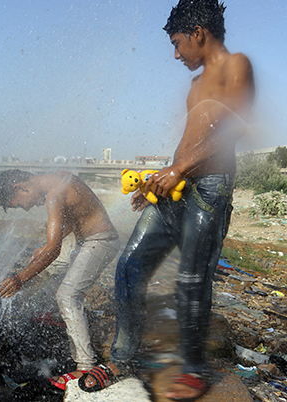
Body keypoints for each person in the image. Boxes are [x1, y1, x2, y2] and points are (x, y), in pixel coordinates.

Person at [79, 0, 255, 399]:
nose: (176, 55)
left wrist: (178, 171)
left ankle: (194, 369)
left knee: (192, 282)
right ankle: (123, 357)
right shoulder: (196, 85)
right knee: (128, 268)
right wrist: (160, 179)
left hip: (210, 190)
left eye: (178, 44)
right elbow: (191, 143)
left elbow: (236, 128)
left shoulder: (236, 65)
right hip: (178, 188)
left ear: (198, 32)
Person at [0, 169, 121, 389]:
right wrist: (46, 248)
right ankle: (42, 315)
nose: (27, 207)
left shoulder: (53, 193)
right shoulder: (57, 178)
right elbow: (76, 216)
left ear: (19, 187)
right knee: (43, 270)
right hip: (83, 239)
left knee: (68, 294)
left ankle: (85, 366)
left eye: (20, 204)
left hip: (100, 240)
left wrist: (19, 279)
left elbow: (53, 250)